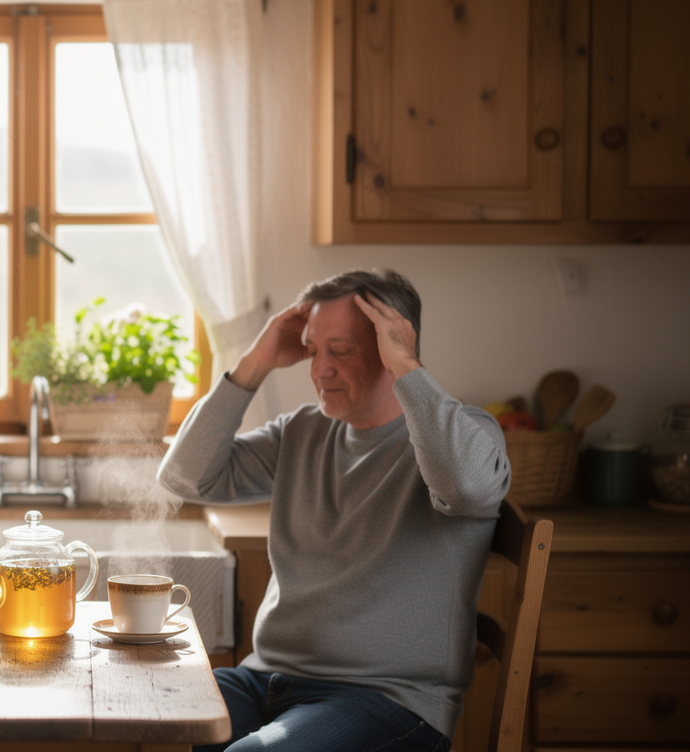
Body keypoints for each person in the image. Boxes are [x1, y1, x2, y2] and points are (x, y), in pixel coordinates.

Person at [157, 269, 510, 752]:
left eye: (340, 351)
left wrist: (409, 367)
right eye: (312, 350)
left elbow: (468, 489)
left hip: (386, 701)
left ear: (394, 345)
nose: (319, 369)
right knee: (146, 720)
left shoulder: (463, 436)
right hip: (265, 680)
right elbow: (184, 477)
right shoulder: (301, 432)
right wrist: (254, 363)